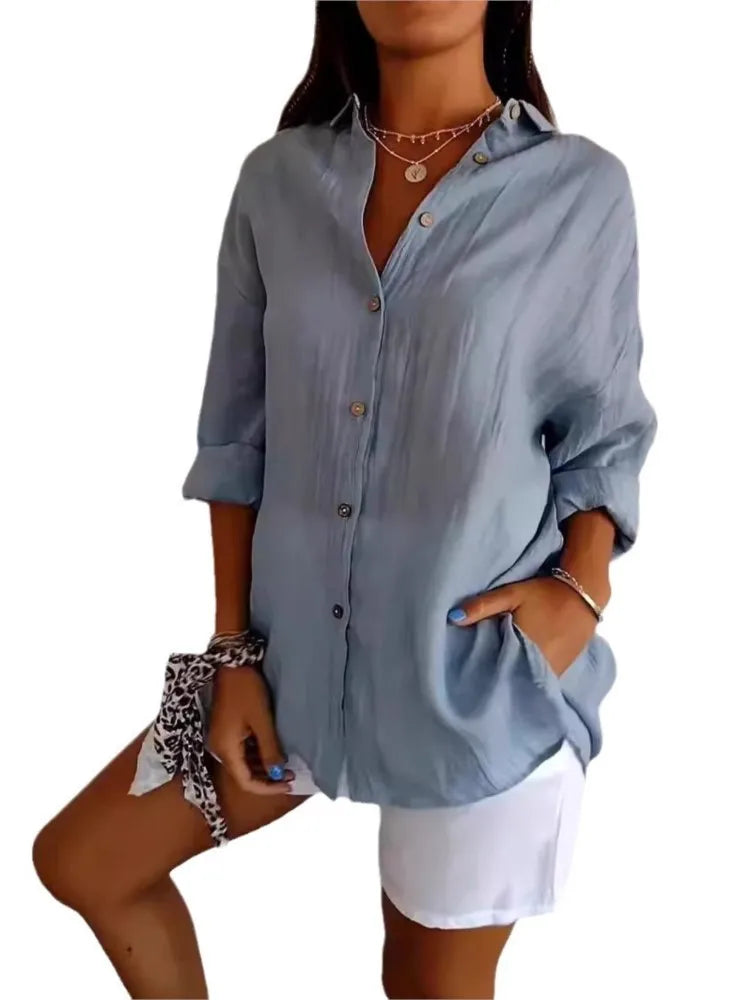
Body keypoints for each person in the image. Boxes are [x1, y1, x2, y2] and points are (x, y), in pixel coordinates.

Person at [32, 2, 657, 998]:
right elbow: (237, 439)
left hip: (477, 681)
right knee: (87, 860)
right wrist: (233, 650)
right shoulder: (277, 183)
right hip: (288, 669)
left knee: (422, 986)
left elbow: (602, 431)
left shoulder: (577, 191)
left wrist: (578, 594)